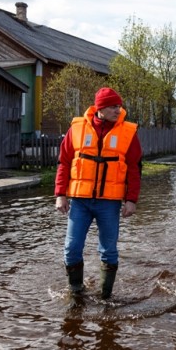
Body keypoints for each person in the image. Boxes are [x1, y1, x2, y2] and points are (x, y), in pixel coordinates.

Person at [54, 87, 142, 299]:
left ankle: (105, 296)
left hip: (109, 203)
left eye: (119, 106)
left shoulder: (128, 132)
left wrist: (131, 199)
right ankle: (76, 292)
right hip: (80, 202)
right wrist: (60, 194)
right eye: (113, 106)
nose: (117, 110)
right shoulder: (76, 128)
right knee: (72, 248)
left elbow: (135, 168)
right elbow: (64, 163)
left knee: (108, 251)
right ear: (100, 108)